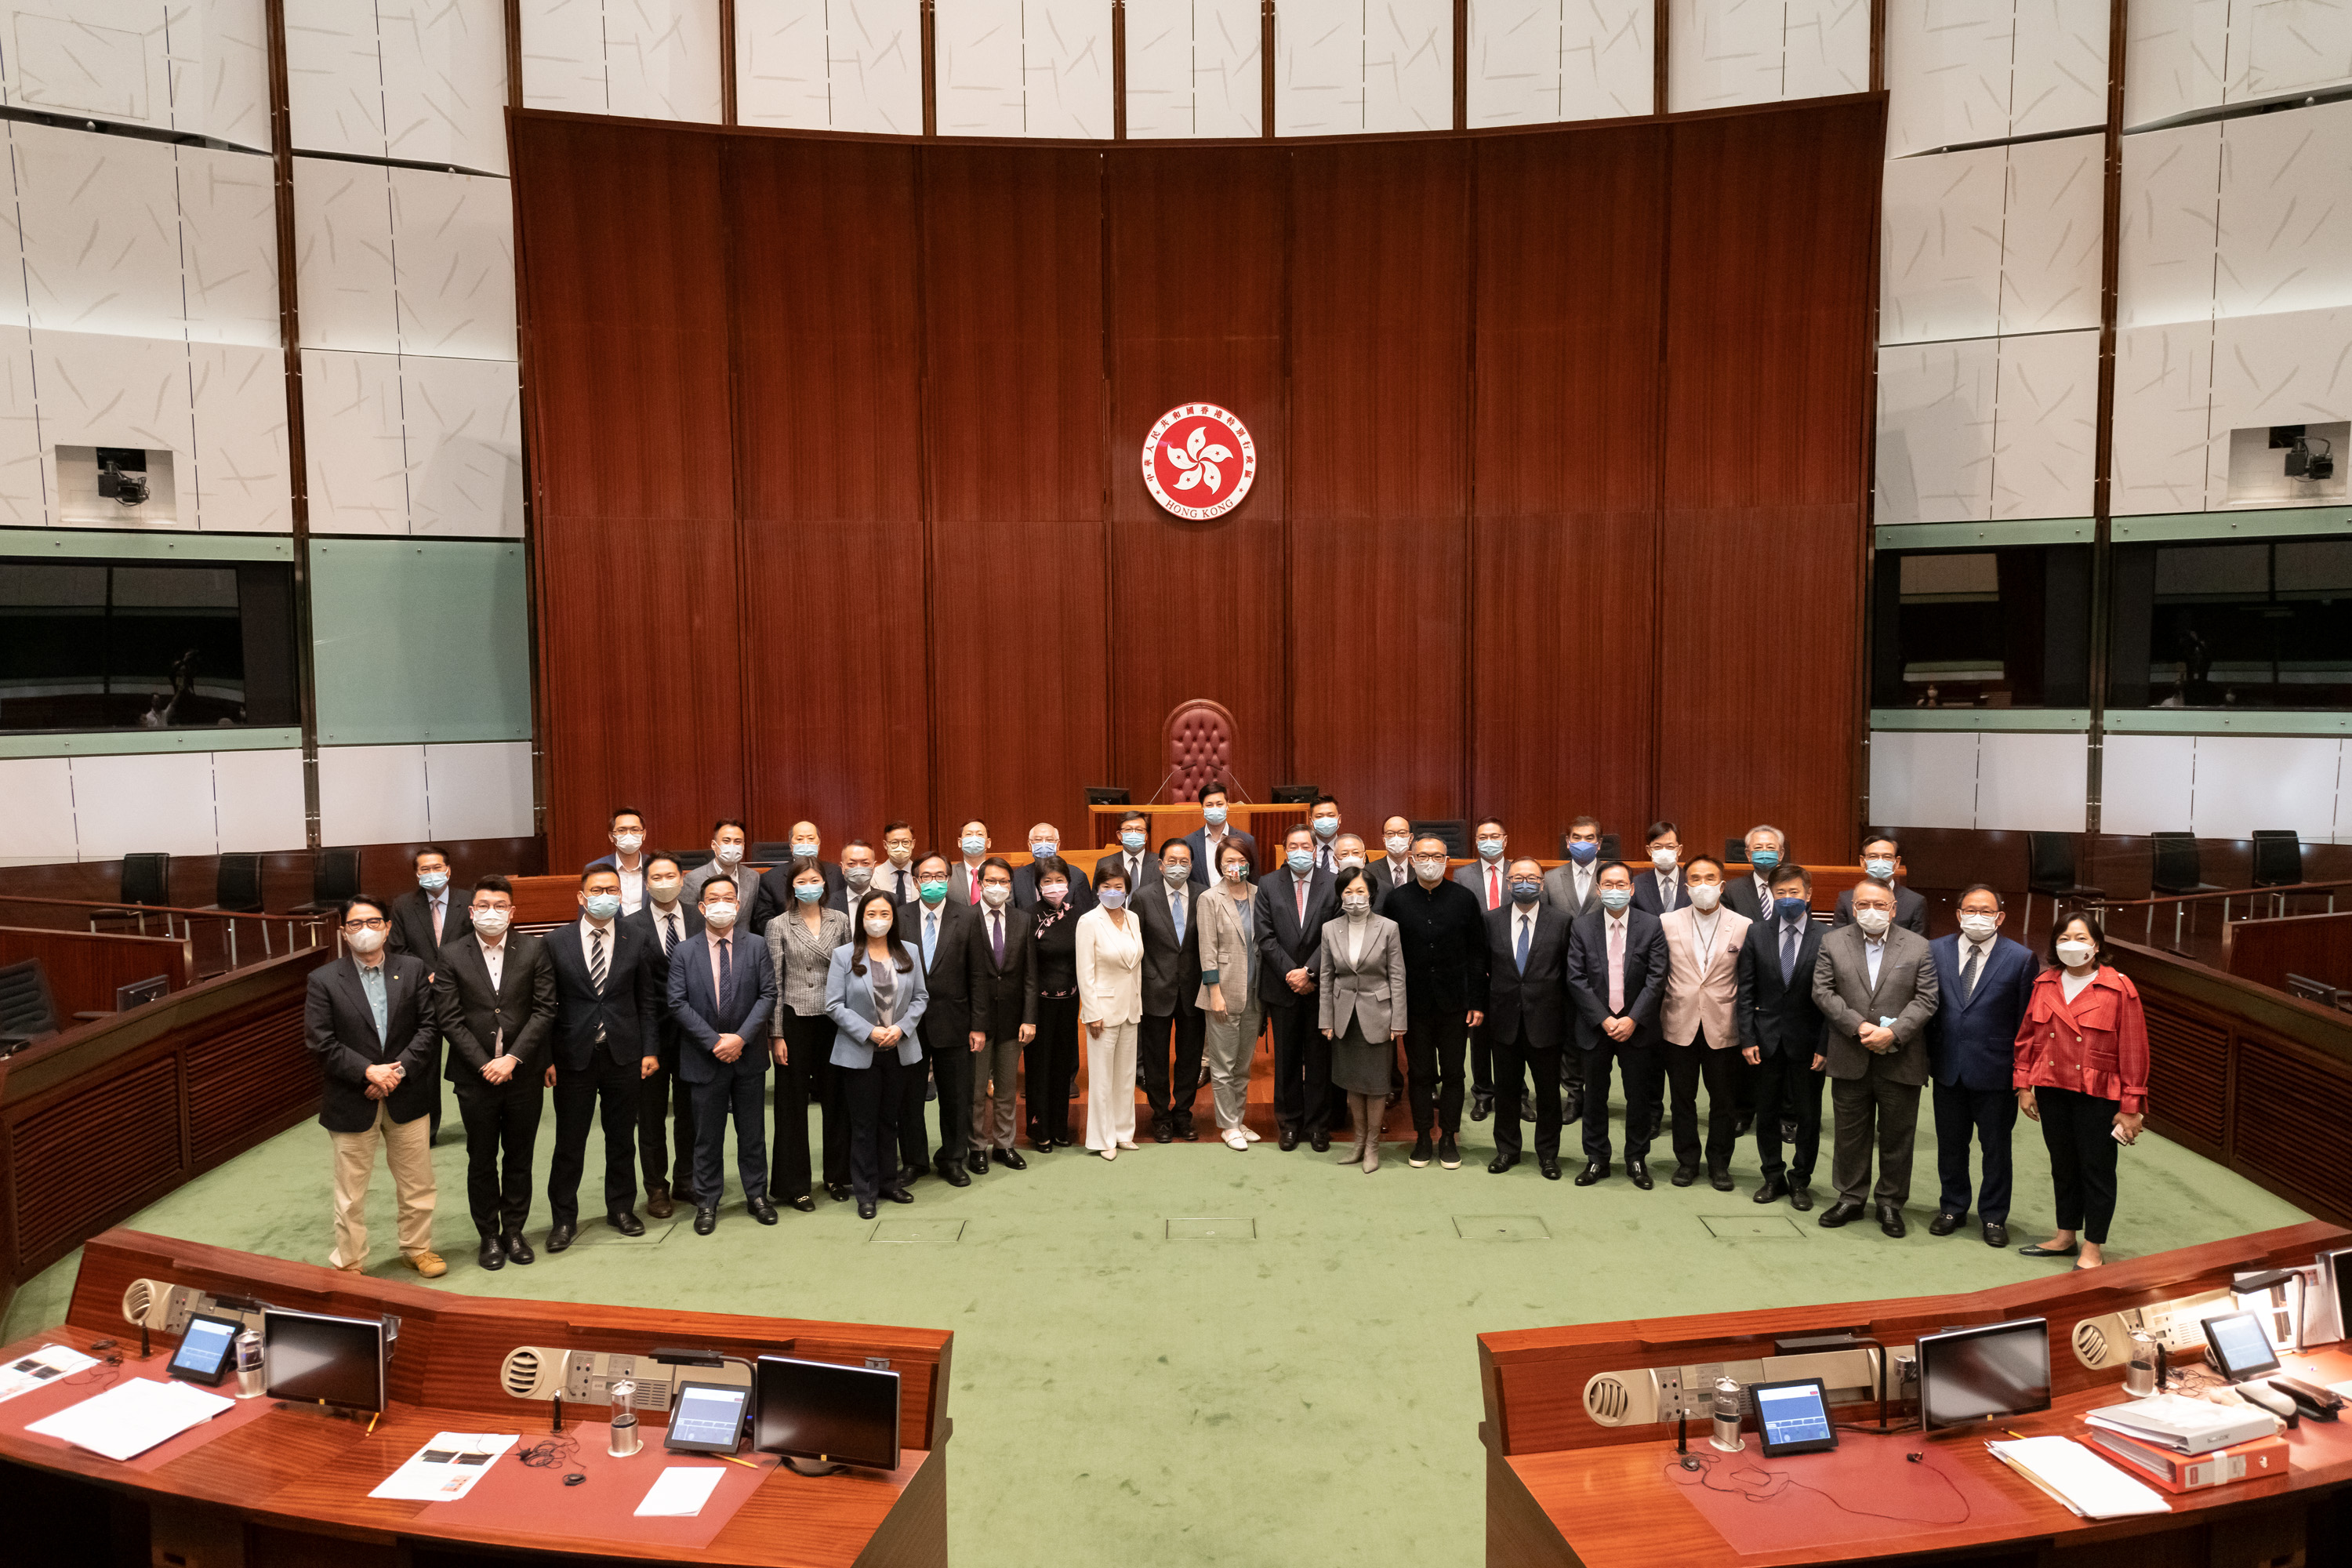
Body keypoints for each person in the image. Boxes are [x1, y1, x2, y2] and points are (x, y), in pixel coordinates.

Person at [307, 895, 443, 1276]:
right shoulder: (324, 979)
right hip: (352, 1097)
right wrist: (368, 1072)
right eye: (355, 924)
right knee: (350, 1193)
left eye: (373, 922)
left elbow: (429, 1028)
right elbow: (320, 1041)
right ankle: (350, 1261)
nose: (364, 930)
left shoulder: (412, 969)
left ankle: (417, 1248)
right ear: (343, 932)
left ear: (387, 928)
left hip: (406, 1092)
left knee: (418, 1183)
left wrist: (393, 1074)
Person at [433, 876, 554, 1272]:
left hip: (523, 1073)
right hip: (475, 1076)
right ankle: (488, 1235)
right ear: (471, 912)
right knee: (481, 1158)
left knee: (519, 1156)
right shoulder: (452, 954)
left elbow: (545, 1010)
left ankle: (514, 1231)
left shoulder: (534, 949)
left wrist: (513, 1059)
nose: (492, 913)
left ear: (512, 912)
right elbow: (449, 1018)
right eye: (484, 905)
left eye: (500, 906)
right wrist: (485, 1063)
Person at [2014, 912, 2148, 1269]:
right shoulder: (2045, 983)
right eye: (2064, 939)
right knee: (2063, 1165)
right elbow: (2028, 1036)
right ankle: (2065, 1235)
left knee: (2096, 1170)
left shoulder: (2119, 987)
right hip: (2052, 1086)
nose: (2072, 945)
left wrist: (2131, 1105)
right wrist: (2023, 1084)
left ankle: (2093, 1247)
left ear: (2096, 945)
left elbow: (2134, 1049)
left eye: (2081, 938)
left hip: (2098, 1092)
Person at [1812, 878, 1941, 1237]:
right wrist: (1859, 1027)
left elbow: (1927, 999)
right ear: (1853, 908)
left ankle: (1890, 1203)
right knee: (1849, 1134)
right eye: (1864, 904)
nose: (1872, 910)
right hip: (1850, 1054)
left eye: (1880, 904)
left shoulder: (1918, 946)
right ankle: (1850, 1198)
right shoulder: (1832, 942)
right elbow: (1822, 992)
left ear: (1893, 909)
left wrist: (1893, 1032)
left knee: (1897, 1136)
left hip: (1900, 1056)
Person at [543, 866, 660, 1250]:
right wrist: (546, 1057)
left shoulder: (635, 937)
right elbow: (544, 1006)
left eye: (612, 890)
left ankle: (621, 1209)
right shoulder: (555, 941)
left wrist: (650, 1049)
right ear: (581, 897)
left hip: (623, 1054)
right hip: (572, 1056)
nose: (605, 896)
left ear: (621, 895)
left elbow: (646, 1000)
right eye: (596, 890)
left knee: (622, 1138)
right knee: (569, 1142)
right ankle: (564, 1219)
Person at [1926, 885, 2038, 1248]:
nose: (1978, 916)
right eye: (1971, 910)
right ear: (1959, 914)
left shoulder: (2020, 958)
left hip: (1996, 1071)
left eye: (1986, 911)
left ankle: (1993, 1216)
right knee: (1951, 1146)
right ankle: (1952, 1207)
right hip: (1948, 1068)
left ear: (2000, 917)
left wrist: (2023, 1077)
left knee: (1996, 1150)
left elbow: (2025, 1023)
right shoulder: (1935, 950)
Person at [668, 875, 778, 1233]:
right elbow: (677, 1003)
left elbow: (768, 995)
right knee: (707, 1137)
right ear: (702, 907)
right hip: (704, 1057)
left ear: (738, 905)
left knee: (753, 1134)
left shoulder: (757, 945)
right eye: (713, 898)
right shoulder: (685, 951)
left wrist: (740, 1039)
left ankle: (757, 1196)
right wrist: (715, 1042)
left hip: (748, 1056)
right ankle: (707, 1201)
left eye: (728, 898)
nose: (721, 904)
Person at [825, 891, 928, 1219]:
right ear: (861, 919)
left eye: (885, 914)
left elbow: (921, 997)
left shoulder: (909, 951)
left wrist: (902, 1028)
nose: (878, 920)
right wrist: (869, 1031)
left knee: (889, 1120)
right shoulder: (844, 955)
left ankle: (888, 1182)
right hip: (860, 1051)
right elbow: (833, 1005)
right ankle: (865, 1191)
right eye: (871, 914)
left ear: (894, 919)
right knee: (864, 1124)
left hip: (899, 1049)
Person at [1386, 835, 1486, 1169]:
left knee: (1454, 1073)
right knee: (1420, 1073)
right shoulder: (1396, 900)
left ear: (1447, 861)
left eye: (1437, 856)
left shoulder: (1464, 898)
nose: (1430, 862)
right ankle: (1423, 1137)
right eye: (1424, 856)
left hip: (1455, 1004)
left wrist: (1477, 1001)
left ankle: (1448, 1137)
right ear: (1412, 859)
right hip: (1414, 1004)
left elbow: (1477, 954)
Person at [1565, 862, 1668, 1187]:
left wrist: (1633, 1018)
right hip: (1596, 1026)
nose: (1615, 890)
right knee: (1595, 1096)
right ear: (1598, 890)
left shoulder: (1651, 925)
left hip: (1637, 1027)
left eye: (1621, 884)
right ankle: (1597, 1159)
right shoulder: (1582, 926)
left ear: (1632, 889)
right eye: (1608, 884)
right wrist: (1604, 1019)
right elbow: (1576, 978)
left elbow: (1657, 977)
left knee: (1638, 1098)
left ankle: (1637, 1159)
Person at [1734, 864, 1828, 1210]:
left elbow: (1834, 997)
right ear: (1772, 896)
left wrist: (1825, 1045)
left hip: (1809, 1041)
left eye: (1794, 892)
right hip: (1766, 1039)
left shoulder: (1828, 936)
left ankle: (1801, 1180)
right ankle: (1772, 1176)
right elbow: (1746, 990)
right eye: (1781, 893)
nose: (1788, 898)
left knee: (1809, 1116)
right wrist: (1747, 1038)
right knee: (1767, 1112)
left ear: (1808, 894)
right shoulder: (1757, 933)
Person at [1657, 855, 1752, 1192]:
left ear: (1722, 885)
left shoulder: (1743, 925)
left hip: (1723, 1024)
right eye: (1695, 878)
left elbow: (1747, 979)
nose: (1703, 885)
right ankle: (1686, 1161)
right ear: (1686, 887)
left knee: (1723, 1101)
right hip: (1678, 1022)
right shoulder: (1667, 922)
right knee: (1681, 1099)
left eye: (1710, 878)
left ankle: (1719, 1164)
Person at [767, 856, 850, 1205]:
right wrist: (776, 1035)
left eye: (814, 880)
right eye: (801, 882)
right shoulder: (778, 925)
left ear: (825, 884)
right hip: (795, 1020)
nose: (809, 887)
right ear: (791, 887)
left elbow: (851, 972)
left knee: (838, 1101)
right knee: (791, 1106)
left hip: (835, 1020)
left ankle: (838, 1176)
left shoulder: (840, 920)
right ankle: (795, 1186)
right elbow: (775, 983)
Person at [1483, 859, 1573, 1178]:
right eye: (1518, 877)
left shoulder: (1561, 921)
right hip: (1504, 1020)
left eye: (1532, 877)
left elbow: (1568, 974)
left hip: (1547, 1022)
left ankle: (1548, 1155)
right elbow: (1484, 969)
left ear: (1542, 884)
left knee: (1548, 1093)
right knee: (1506, 1091)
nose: (1525, 883)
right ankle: (1507, 1150)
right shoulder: (1491, 920)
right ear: (1508, 883)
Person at [624, 854, 700, 1219]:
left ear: (682, 879)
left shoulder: (700, 917)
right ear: (647, 883)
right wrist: (647, 1045)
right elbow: (633, 989)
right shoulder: (630, 925)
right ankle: (656, 1187)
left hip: (694, 1033)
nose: (664, 882)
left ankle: (687, 1178)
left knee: (691, 1112)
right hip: (649, 1035)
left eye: (670, 875)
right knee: (651, 1116)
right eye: (656, 877)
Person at [906, 849, 986, 1187]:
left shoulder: (967, 917)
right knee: (909, 1098)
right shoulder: (900, 916)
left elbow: (978, 974)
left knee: (956, 1097)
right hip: (909, 1024)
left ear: (949, 880)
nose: (933, 882)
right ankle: (914, 1161)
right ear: (915, 881)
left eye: (940, 876)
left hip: (955, 1021)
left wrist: (978, 1025)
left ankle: (952, 1159)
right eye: (926, 876)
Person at [1318, 866, 1406, 1173]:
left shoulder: (1388, 928)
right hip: (1344, 1015)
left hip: (1378, 1014)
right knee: (1352, 1082)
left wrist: (1399, 1020)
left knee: (1377, 1084)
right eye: (1348, 892)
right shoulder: (1330, 929)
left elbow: (1397, 976)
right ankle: (1357, 1143)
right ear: (1340, 895)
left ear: (1371, 895)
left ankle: (1372, 1146)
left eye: (1360, 892)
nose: (1354, 898)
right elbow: (1327, 976)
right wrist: (1326, 1019)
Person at [1258, 825, 1337, 1151]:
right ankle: (1289, 1123)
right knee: (1286, 1060)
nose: (1300, 851)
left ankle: (1318, 1126)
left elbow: (1336, 933)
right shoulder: (1268, 884)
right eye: (1294, 846)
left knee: (1319, 1060)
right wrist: (1292, 974)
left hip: (1320, 986)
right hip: (1282, 987)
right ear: (1285, 849)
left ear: (1315, 850)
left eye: (1306, 846)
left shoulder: (1332, 883)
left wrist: (1309, 972)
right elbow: (1265, 936)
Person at [387, 843, 470, 1142]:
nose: (432, 873)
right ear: (417, 874)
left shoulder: (468, 900)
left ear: (448, 870)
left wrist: (448, 974)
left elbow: (475, 942)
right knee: (425, 1067)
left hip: (463, 993)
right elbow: (398, 948)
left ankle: (479, 1124)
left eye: (437, 867)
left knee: (470, 1059)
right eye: (425, 869)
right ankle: (429, 1132)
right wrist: (426, 974)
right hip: (422, 994)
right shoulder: (403, 905)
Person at [969, 855, 1038, 1172]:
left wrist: (1029, 1017)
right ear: (980, 883)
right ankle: (976, 1147)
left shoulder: (1023, 919)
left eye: (1004, 882)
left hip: (1013, 1019)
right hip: (978, 1021)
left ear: (1011, 886)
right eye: (991, 881)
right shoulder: (966, 918)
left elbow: (1030, 975)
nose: (997, 887)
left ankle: (1004, 1145)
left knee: (1007, 1088)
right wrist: (973, 1022)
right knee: (975, 1089)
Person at [1134, 840, 1207, 1142]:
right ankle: (1161, 1116)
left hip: (1194, 989)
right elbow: (1136, 945)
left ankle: (1183, 1114)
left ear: (1192, 865)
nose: (1179, 867)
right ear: (1161, 865)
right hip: (1155, 988)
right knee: (1156, 1059)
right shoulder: (1143, 897)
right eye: (1172, 861)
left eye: (1184, 861)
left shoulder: (1204, 895)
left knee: (1190, 1057)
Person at [1196, 840, 1265, 1150]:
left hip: (1255, 991)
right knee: (1223, 1065)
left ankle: (1238, 1119)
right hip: (1222, 991)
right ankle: (1227, 1125)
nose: (1235, 866)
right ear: (1220, 865)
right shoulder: (1210, 898)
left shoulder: (1259, 895)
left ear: (1250, 862)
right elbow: (1207, 949)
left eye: (1241, 860)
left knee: (1243, 1065)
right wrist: (1214, 992)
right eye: (1229, 861)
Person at [1076, 865, 1146, 1158]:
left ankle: (1123, 1132)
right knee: (1102, 1078)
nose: (1113, 892)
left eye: (1118, 886)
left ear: (1127, 889)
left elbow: (1135, 966)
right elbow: (1085, 971)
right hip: (1102, 1011)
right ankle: (1103, 1138)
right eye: (1106, 886)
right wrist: (1092, 1012)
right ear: (1097, 890)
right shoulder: (1088, 921)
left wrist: (1137, 1002)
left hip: (1130, 1007)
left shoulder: (1133, 918)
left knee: (1126, 1075)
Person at [1454, 817, 1515, 1121]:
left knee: (1514, 1034)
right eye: (1482, 837)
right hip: (1476, 965)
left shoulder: (1520, 872)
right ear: (1476, 841)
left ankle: (1516, 1094)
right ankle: (1482, 1093)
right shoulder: (1463, 875)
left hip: (1514, 965)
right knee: (1478, 1034)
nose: (1488, 841)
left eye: (1494, 836)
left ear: (1505, 840)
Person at [1024, 856, 1086, 1150]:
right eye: (1047, 881)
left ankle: (1061, 1127)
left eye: (1059, 880)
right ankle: (1040, 1130)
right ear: (1038, 885)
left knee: (1063, 1067)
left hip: (1069, 1003)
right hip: (1039, 1005)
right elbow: (1027, 968)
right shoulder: (1027, 917)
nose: (1054, 886)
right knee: (1039, 1068)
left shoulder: (1078, 916)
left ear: (1069, 883)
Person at [747, 820, 847, 932]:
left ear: (819, 843)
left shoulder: (837, 874)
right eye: (799, 839)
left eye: (811, 838)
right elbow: (762, 921)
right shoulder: (770, 878)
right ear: (791, 845)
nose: (805, 843)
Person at [1831, 831, 1928, 935]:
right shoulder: (1846, 899)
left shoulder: (1915, 902)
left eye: (1887, 857)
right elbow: (1837, 940)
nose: (1880, 862)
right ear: (1863, 862)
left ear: (1897, 862)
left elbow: (1919, 943)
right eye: (1873, 856)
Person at [1181, 781, 1258, 887]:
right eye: (1209, 805)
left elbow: (1254, 881)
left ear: (1227, 805)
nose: (1215, 808)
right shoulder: (1189, 842)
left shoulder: (1246, 840)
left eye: (1220, 804)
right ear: (1202, 808)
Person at [1012, 822, 1094, 912]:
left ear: (1058, 845)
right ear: (1029, 845)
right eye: (1038, 840)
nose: (1044, 844)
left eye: (1049, 840)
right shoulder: (1017, 877)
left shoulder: (1077, 876)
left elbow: (1085, 913)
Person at [584, 807, 652, 914]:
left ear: (644, 834)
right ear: (611, 836)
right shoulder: (595, 869)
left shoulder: (655, 866)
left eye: (635, 830)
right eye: (621, 830)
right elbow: (586, 911)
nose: (629, 835)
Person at [1541, 817, 1606, 921]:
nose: (1583, 843)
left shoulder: (1612, 876)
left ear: (1599, 843)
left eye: (1589, 838)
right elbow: (1544, 917)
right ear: (1568, 842)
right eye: (1577, 838)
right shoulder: (1550, 878)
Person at [1722, 825, 1788, 921]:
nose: (1764, 852)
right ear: (1748, 854)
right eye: (1758, 848)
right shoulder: (1731, 890)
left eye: (1770, 848)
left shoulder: (1796, 889)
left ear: (1781, 854)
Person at [1630, 821, 1690, 917]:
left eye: (1670, 847)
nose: (1664, 852)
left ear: (1679, 850)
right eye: (1658, 847)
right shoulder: (1637, 885)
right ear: (1649, 850)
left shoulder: (1692, 881)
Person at [682, 819, 749, 902]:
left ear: (743, 846)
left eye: (738, 842)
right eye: (726, 841)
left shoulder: (753, 877)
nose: (732, 846)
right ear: (714, 845)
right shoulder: (692, 879)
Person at [1099, 811, 1157, 897]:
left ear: (1146, 836)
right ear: (1119, 835)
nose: (1134, 834)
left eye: (1139, 830)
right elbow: (1097, 899)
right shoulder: (1104, 863)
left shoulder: (1159, 864)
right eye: (1128, 830)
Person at [1368, 815, 1415, 906]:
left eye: (1402, 833)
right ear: (1384, 839)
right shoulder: (1369, 871)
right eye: (1390, 834)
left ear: (1410, 838)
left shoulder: (1419, 871)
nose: (1396, 838)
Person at [874, 821, 923, 905]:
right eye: (894, 843)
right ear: (885, 845)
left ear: (913, 844)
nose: (900, 847)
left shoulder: (924, 874)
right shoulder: (873, 876)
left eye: (905, 842)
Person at [946, 820, 993, 906]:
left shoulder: (1000, 873)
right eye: (969, 834)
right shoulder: (948, 873)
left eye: (980, 834)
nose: (974, 838)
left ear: (989, 843)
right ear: (960, 842)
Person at [835, 840, 883, 917]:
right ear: (842, 868)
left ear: (874, 867)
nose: (858, 869)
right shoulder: (827, 903)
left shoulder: (891, 900)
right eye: (851, 864)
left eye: (865, 863)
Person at [1307, 796, 1344, 876]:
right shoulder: (1303, 850)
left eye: (1331, 816)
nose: (1325, 821)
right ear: (1311, 821)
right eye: (1319, 817)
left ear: (1339, 819)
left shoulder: (1352, 850)